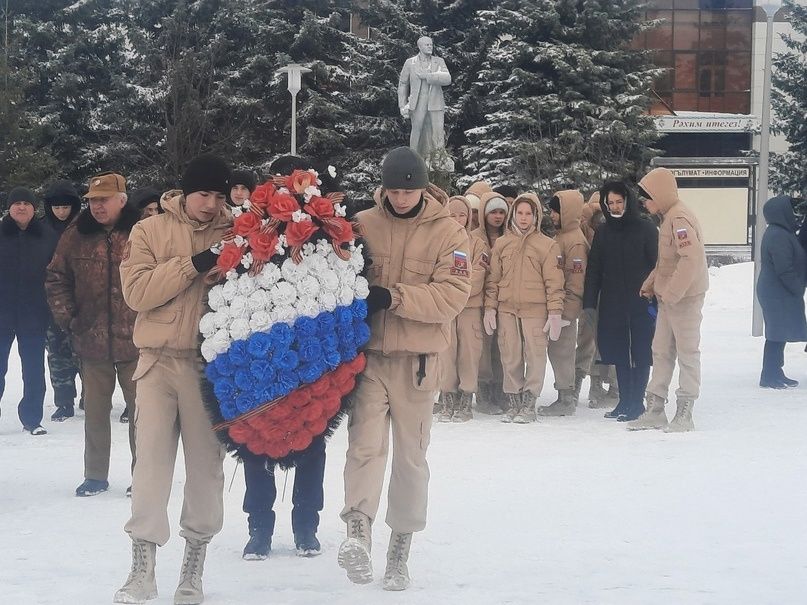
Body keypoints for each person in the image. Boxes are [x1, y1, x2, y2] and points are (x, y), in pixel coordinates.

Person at [338, 147, 470, 591]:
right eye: (392, 190)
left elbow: (453, 296)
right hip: (370, 357)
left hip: (418, 361)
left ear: (421, 188)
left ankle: (400, 550)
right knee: (364, 447)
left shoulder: (450, 233)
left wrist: (393, 297)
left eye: (407, 191)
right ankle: (357, 529)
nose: (399, 198)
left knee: (411, 459)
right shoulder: (362, 224)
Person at [115, 155, 232, 605]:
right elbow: (137, 293)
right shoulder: (149, 230)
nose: (211, 204)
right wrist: (194, 264)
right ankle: (141, 568)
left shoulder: (236, 234)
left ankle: (193, 567)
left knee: (206, 470)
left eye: (219, 196)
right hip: (157, 363)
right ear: (185, 192)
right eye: (204, 194)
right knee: (150, 467)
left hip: (208, 369)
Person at [240, 156, 328, 562]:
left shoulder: (326, 231)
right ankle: (259, 526)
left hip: (313, 351)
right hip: (261, 350)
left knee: (312, 440)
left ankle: (306, 524)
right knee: (257, 442)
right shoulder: (252, 227)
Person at [46, 173, 140, 496]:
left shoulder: (142, 232)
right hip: (91, 339)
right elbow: (56, 277)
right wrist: (69, 318)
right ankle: (95, 474)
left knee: (143, 414)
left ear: (122, 200)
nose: (97, 206)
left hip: (137, 339)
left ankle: (143, 476)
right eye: (92, 201)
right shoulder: (75, 235)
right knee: (96, 412)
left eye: (104, 200)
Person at [630, 167, 709, 432]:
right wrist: (652, 283)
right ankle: (655, 408)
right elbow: (668, 260)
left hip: (684, 299)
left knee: (687, 352)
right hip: (669, 298)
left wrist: (673, 293)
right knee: (661, 351)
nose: (644, 202)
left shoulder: (679, 218)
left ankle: (685, 411)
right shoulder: (668, 217)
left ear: (660, 194)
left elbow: (691, 259)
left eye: (647, 197)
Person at [483, 193, 566, 423]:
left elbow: (555, 282)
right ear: (513, 214)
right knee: (510, 356)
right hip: (507, 309)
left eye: (528, 213)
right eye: (519, 213)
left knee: (535, 356)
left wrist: (555, 312)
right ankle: (514, 402)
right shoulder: (502, 244)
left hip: (535, 311)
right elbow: (493, 280)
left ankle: (529, 403)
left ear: (535, 216)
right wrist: (490, 308)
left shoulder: (547, 246)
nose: (523, 218)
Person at [582, 182, 658, 422]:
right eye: (610, 203)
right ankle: (624, 400)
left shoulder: (646, 229)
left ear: (628, 201)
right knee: (619, 352)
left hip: (640, 301)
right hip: (613, 302)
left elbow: (658, 266)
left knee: (640, 352)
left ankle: (637, 402)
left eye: (619, 202)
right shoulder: (604, 232)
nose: (615, 207)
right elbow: (594, 268)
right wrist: (589, 302)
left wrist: (655, 296)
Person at [0, 187, 58, 435]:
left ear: (35, 208)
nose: (21, 207)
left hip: (34, 313)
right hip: (2, 314)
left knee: (34, 369)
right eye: (16, 203)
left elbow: (58, 273)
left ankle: (32, 419)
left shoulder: (48, 235)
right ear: (9, 208)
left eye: (26, 203)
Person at [436, 195, 487, 422]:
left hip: (469, 308)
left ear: (469, 217)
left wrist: (456, 290)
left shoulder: (477, 243)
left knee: (469, 354)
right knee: (446, 354)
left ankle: (465, 400)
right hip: (446, 309)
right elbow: (435, 274)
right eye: (452, 215)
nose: (457, 219)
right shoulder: (439, 241)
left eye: (462, 215)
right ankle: (447, 398)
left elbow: (478, 275)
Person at [539, 190, 590, 416]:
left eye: (555, 211)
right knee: (557, 352)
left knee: (562, 353)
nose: (551, 215)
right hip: (557, 307)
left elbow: (576, 281)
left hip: (565, 310)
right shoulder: (562, 237)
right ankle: (564, 393)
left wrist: (567, 313)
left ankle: (566, 397)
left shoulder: (575, 242)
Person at [42, 180, 83, 421]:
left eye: (66, 207)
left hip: (85, 301)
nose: (61, 211)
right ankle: (64, 401)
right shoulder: (42, 230)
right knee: (57, 355)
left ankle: (91, 396)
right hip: (52, 303)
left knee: (88, 354)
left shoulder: (84, 228)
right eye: (56, 207)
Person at [756, 195, 807, 388]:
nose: (793, 214)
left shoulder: (780, 232)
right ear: (781, 212)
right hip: (777, 291)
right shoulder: (778, 235)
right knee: (776, 334)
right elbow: (784, 267)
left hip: (778, 290)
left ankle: (776, 371)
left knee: (779, 333)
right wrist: (797, 287)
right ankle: (769, 376)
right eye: (789, 210)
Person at [471, 192, 509, 414]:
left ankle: (501, 390)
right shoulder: (474, 237)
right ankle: (483, 391)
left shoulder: (511, 237)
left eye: (501, 212)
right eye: (493, 212)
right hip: (479, 299)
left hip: (503, 299)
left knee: (502, 347)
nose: (497, 216)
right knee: (483, 347)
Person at [398, 36, 452, 159]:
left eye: (431, 45)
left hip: (435, 102)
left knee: (438, 132)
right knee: (416, 130)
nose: (430, 47)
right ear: (420, 46)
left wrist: (428, 76)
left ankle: (439, 160)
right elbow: (403, 84)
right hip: (417, 103)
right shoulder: (410, 63)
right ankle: (413, 158)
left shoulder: (439, 61)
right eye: (427, 45)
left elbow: (447, 79)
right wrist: (402, 105)